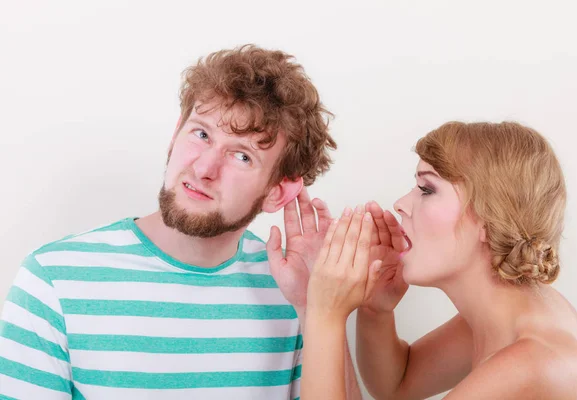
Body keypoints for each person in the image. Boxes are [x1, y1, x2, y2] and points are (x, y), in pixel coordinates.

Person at [0, 44, 362, 399]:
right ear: (176, 133)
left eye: (241, 156)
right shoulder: (53, 278)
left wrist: (314, 306)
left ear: (278, 192)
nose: (204, 168)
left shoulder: (295, 287)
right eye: (201, 134)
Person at [300, 121, 577, 399]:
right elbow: (398, 383)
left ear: (488, 218)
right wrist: (377, 310)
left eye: (427, 189)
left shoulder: (531, 362)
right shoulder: (507, 315)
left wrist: (322, 314)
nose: (401, 204)